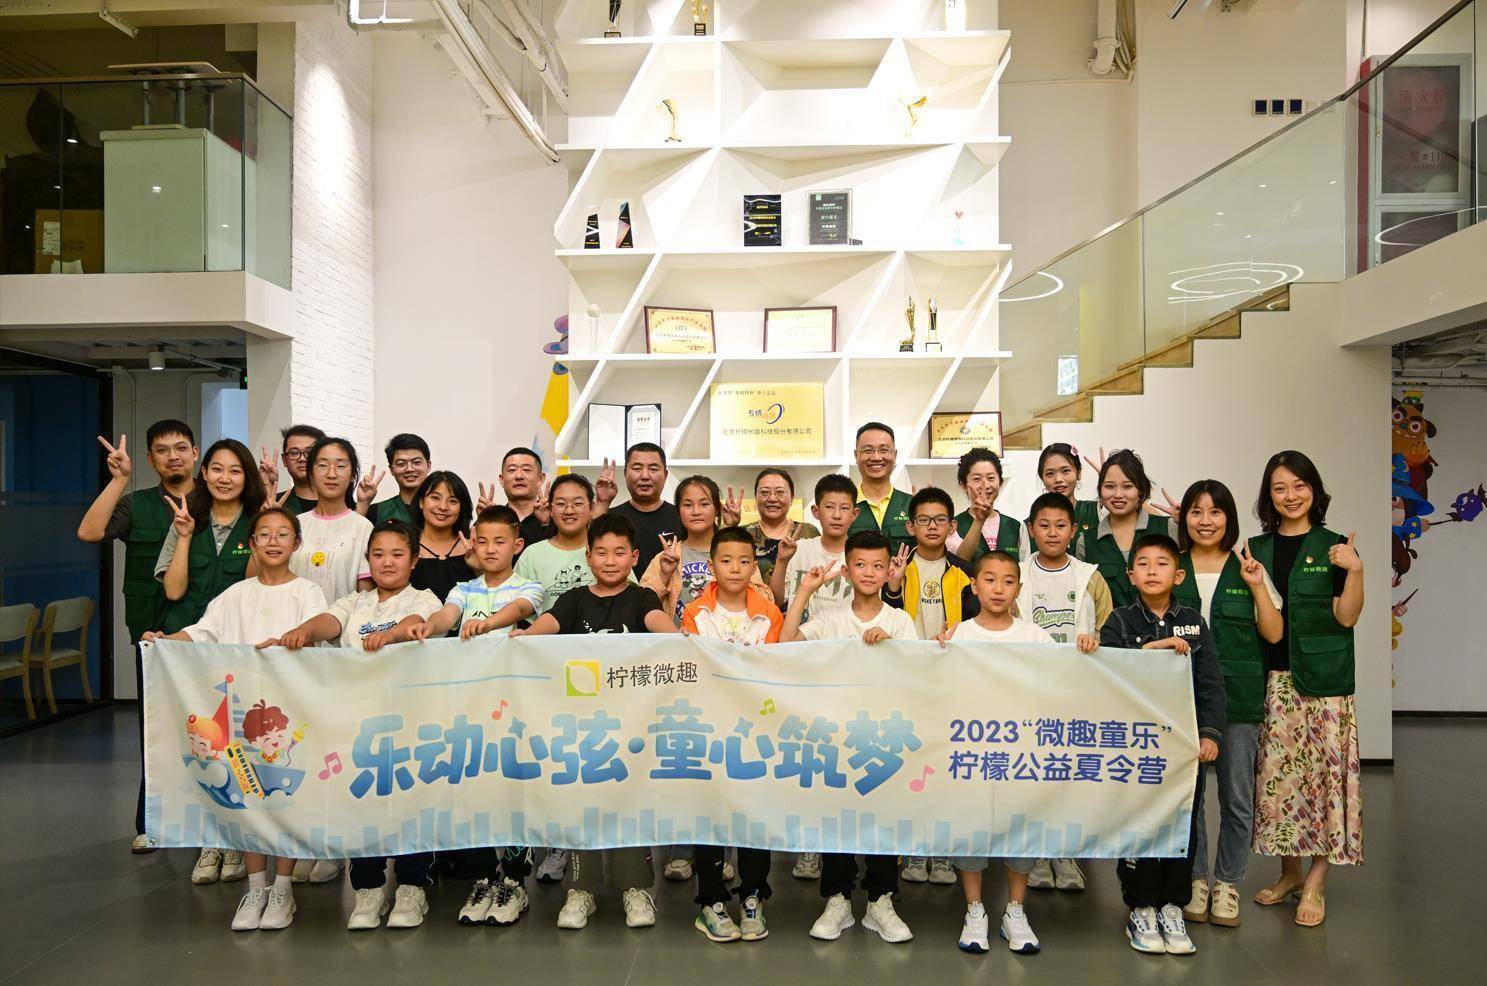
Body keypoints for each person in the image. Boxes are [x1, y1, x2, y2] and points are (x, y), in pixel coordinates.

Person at [142, 506, 329, 931]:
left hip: (285, 720)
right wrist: (165, 640)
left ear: (297, 543)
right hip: (241, 720)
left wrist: (300, 635)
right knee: (248, 802)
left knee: (283, 802)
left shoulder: (308, 592)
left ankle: (283, 889)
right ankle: (256, 886)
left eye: (283, 534)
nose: (274, 541)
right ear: (252, 544)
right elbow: (201, 633)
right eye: (265, 534)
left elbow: (320, 627)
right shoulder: (235, 595)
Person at [269, 519, 443, 930]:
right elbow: (327, 624)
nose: (387, 562)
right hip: (356, 725)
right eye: (378, 554)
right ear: (368, 560)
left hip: (410, 725)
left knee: (411, 803)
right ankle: (367, 889)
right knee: (363, 803)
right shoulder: (354, 601)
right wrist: (301, 632)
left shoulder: (425, 597)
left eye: (397, 554)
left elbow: (418, 621)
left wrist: (394, 635)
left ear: (414, 560)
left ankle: (411, 887)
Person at [511, 512, 676, 931]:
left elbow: (657, 623)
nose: (610, 560)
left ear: (634, 557)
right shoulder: (574, 599)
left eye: (619, 553)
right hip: (581, 726)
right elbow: (548, 623)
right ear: (588, 557)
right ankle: (579, 889)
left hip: (631, 724)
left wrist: (678, 639)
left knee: (630, 801)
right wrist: (525, 638)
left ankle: (635, 888)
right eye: (601, 552)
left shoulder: (641, 598)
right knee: (580, 802)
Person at [782, 530, 917, 944]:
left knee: (883, 819)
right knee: (836, 817)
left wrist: (893, 648)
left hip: (884, 737)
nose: (869, 572)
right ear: (846, 570)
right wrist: (805, 591)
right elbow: (785, 644)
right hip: (836, 735)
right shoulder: (830, 618)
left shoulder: (899, 621)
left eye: (878, 565)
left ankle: (880, 900)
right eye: (860, 564)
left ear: (889, 570)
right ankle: (838, 898)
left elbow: (918, 674)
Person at [1247, 451, 1364, 929]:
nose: (1290, 495)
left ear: (1314, 490)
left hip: (1327, 686)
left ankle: (1316, 878)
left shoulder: (1336, 547)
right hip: (1278, 682)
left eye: (1299, 485)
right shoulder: (1256, 548)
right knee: (1279, 782)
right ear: (1268, 496)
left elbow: (1347, 616)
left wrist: (1355, 570)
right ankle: (1289, 872)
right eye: (1280, 488)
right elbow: (1268, 626)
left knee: (1323, 782)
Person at [415, 505, 545, 926]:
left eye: (500, 542)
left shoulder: (530, 586)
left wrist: (488, 625)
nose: (490, 549)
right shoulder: (463, 589)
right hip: (470, 706)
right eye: (482, 541)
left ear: (517, 545)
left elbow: (519, 610)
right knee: (476, 788)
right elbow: (446, 616)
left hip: (516, 707)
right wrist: (430, 626)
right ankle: (486, 877)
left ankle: (515, 881)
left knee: (513, 788)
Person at [1099, 532, 1225, 956]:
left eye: (1162, 563)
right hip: (1135, 746)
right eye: (1143, 564)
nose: (1152, 571)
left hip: (1183, 747)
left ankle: (1173, 905)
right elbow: (1110, 677)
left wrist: (1210, 734)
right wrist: (1153, 649)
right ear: (1131, 575)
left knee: (1182, 823)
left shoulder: (1194, 622)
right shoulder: (1119, 622)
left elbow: (1210, 685)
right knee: (1139, 822)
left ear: (1179, 575)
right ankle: (1141, 907)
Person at [77, 419, 199, 853]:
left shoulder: (214, 499)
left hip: (204, 631)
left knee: (215, 726)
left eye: (180, 448)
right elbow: (89, 532)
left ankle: (214, 823)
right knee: (157, 729)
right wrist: (119, 481)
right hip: (151, 632)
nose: (173, 456)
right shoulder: (137, 504)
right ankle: (152, 821)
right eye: (162, 450)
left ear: (195, 453)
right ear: (150, 459)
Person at [152, 438, 264, 885]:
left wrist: (260, 533)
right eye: (217, 469)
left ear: (246, 477)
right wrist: (183, 537)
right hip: (190, 650)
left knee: (238, 746)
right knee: (201, 746)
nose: (225, 478)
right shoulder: (185, 521)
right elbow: (174, 589)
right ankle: (210, 838)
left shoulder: (258, 523)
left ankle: (236, 839)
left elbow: (257, 585)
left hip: (237, 651)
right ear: (204, 474)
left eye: (235, 470)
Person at [1172, 480, 1283, 929]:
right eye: (1196, 512)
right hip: (1180, 704)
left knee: (1237, 799)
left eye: (1215, 512)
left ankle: (1228, 883)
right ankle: (1196, 879)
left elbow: (1273, 633)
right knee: (1190, 800)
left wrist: (1257, 587)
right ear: (1184, 519)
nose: (1205, 521)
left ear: (1229, 519)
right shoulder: (1172, 566)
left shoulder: (1248, 567)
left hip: (1238, 702)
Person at [937, 551, 1053, 955]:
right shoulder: (958, 635)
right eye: (989, 579)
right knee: (972, 825)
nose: (998, 589)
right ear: (974, 586)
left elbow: (1061, 682)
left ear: (1019, 588)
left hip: (1022, 752)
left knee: (1021, 826)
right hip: (971, 750)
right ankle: (975, 909)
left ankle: (1015, 910)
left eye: (1008, 581)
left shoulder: (1036, 637)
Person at [680, 525, 783, 943]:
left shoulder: (769, 613)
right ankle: (711, 902)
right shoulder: (694, 613)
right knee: (709, 817)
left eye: (744, 561)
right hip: (707, 728)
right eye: (726, 561)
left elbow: (773, 669)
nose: (735, 568)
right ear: (711, 566)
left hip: (755, 730)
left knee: (754, 817)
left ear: (754, 566)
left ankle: (753, 895)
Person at [1016, 491, 1112, 892]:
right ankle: (1037, 853)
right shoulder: (1017, 574)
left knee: (1069, 774)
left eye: (1060, 526)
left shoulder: (1090, 576)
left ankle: (1065, 853)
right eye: (1044, 525)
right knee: (1033, 774)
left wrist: (1095, 645)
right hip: (1029, 693)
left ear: (1073, 531)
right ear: (1031, 530)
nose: (1052, 533)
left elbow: (1106, 629)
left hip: (1077, 694)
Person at [881, 486, 973, 887]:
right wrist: (893, 585)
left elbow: (976, 622)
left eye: (940, 520)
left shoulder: (964, 570)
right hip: (905, 680)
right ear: (911, 525)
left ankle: (942, 850)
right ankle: (914, 849)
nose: (932, 526)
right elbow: (884, 613)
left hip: (951, 680)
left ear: (951, 526)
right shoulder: (898, 565)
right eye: (924, 519)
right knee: (910, 764)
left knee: (946, 765)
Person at [642, 475, 774, 625]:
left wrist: (728, 532)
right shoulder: (665, 557)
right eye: (688, 505)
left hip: (730, 637)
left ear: (717, 509)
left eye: (704, 504)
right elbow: (641, 605)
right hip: (680, 638)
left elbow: (766, 599)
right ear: (678, 511)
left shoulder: (738, 555)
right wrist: (664, 576)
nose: (696, 511)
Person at [1079, 449, 1170, 608]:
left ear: (1140, 490)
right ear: (1100, 489)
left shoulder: (1167, 529)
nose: (1118, 494)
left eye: (1127, 486)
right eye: (1109, 486)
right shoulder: (1086, 542)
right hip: (1108, 624)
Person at [290, 436, 374, 605]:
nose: (331, 474)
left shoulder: (363, 527)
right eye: (322, 465)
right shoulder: (296, 524)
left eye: (341, 466)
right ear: (311, 474)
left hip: (343, 620)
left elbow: (365, 596)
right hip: (296, 618)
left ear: (353, 475)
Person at [773, 473, 860, 619]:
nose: (837, 515)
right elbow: (775, 601)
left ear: (855, 514)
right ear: (816, 511)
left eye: (844, 508)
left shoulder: (861, 556)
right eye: (829, 507)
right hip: (798, 633)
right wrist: (782, 561)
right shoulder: (798, 550)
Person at [606, 442, 680, 574]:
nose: (645, 476)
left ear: (665, 475)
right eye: (637, 468)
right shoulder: (610, 518)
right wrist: (602, 502)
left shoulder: (681, 517)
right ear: (625, 473)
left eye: (653, 469)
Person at [744, 467, 818, 587]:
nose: (772, 498)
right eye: (764, 492)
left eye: (780, 492)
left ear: (792, 498)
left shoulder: (808, 532)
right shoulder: (743, 534)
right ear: (755, 497)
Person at [408, 470, 476, 601]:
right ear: (421, 502)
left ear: (461, 508)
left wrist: (479, 569)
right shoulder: (406, 546)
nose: (443, 507)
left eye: (453, 501)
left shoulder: (472, 546)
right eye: (435, 498)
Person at [847, 422, 914, 550]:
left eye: (884, 450)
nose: (876, 457)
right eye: (868, 450)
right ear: (856, 455)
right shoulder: (844, 507)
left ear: (895, 455)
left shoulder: (913, 505)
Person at [949, 448, 1022, 562]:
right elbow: (959, 562)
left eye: (991, 478)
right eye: (977, 479)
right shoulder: (954, 526)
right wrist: (979, 521)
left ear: (1001, 482)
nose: (986, 485)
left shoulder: (1015, 526)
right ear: (963, 484)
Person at [1036, 443, 1100, 555]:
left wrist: (1109, 480)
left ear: (1078, 473)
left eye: (1065, 471)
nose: (1058, 479)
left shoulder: (1096, 511)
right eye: (1050, 473)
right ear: (1042, 478)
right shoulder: (1032, 523)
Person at [355, 433, 431, 525]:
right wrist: (363, 503)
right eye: (401, 464)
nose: (409, 469)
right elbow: (352, 533)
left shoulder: (440, 509)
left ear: (428, 466)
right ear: (392, 469)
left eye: (416, 462)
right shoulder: (377, 512)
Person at [258, 424, 325, 515]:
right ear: (284, 460)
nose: (302, 459)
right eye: (294, 453)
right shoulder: (274, 504)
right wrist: (267, 487)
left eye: (309, 452)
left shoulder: (339, 502)